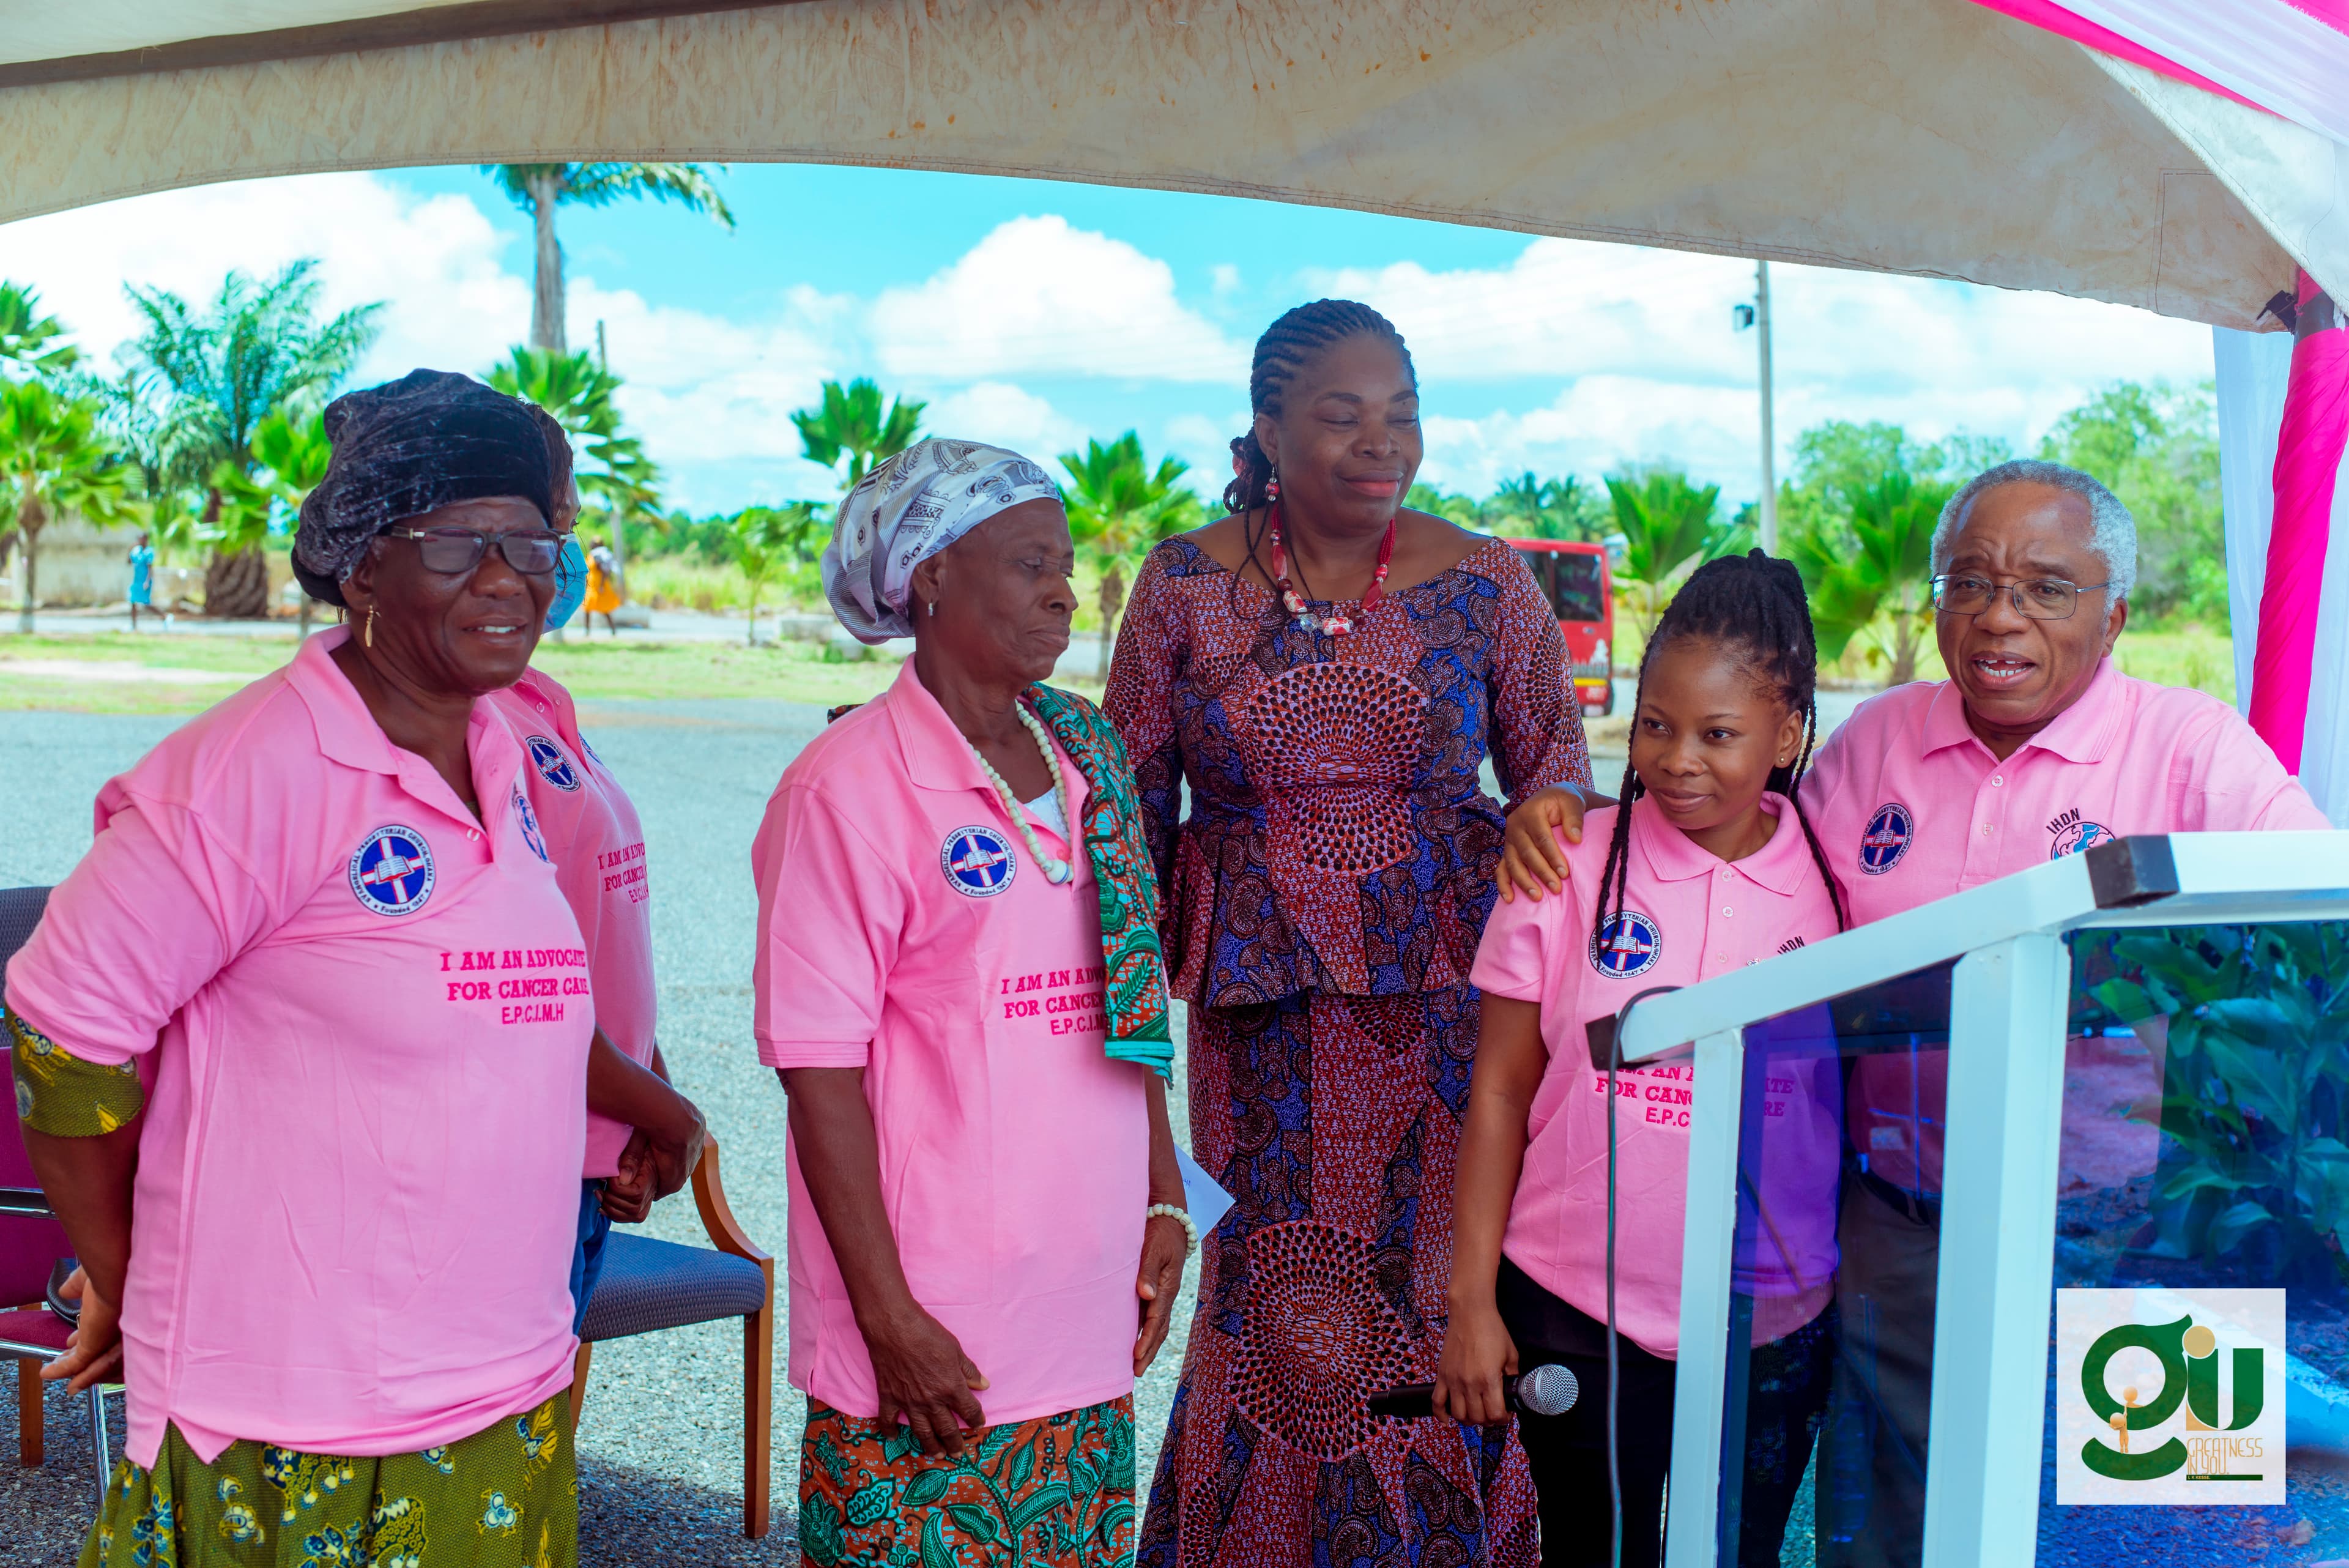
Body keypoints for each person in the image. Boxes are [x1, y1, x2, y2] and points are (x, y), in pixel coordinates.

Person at [1493, 458, 2331, 1566]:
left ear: (2116, 611)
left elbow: (2318, 910)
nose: (2000, 615)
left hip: (2127, 1233)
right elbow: (1735, 839)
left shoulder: (2193, 745)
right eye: (1970, 581)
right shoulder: (1877, 740)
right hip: (1897, 1228)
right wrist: (1575, 813)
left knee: (2151, 1524)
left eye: (2046, 586)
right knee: (1897, 1528)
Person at [3, 369, 698, 1568]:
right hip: (299, 1424)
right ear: (362, 563)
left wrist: (655, 1102)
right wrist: (133, 1276)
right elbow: (65, 1033)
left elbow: (511, 998)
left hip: (508, 1383)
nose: (508, 575)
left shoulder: (501, 747)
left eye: (532, 542)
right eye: (461, 543)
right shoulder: (243, 776)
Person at [1106, 299, 1590, 1568]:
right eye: (1342, 416)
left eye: (1404, 415)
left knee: (1440, 1294)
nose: (1384, 445)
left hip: (1449, 1007)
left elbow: (1558, 768)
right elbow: (1128, 803)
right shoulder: (1181, 582)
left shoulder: (1488, 579)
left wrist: (1546, 808)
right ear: (1268, 428)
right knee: (1272, 1291)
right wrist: (1116, 1031)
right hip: (1257, 1015)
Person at [754, 437, 1191, 1566]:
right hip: (935, 1323)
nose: (1065, 589)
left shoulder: (1086, 749)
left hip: (1079, 1296)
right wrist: (889, 1318)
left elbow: (1129, 999)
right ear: (931, 575)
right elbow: (818, 1069)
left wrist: (1163, 1199)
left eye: (1070, 561)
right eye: (1029, 561)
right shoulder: (847, 787)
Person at [1437, 552, 1846, 1567]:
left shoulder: (1838, 878)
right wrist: (1472, 1298)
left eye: (1719, 733)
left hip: (1771, 1317)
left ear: (1788, 733)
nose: (1678, 760)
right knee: (1593, 1552)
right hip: (1576, 1305)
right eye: (1656, 724)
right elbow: (1496, 1090)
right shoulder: (1565, 863)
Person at [494, 406, 705, 1348]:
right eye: (557, 528)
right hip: (522, 1149)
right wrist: (670, 1117)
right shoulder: (470, 724)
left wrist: (640, 1099)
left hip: (593, 1135)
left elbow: (589, 927)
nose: (569, 555)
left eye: (570, 530)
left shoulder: (539, 700)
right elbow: (509, 986)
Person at [584, 533, 622, 636]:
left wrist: (601, 586)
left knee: (605, 609)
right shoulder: (592, 555)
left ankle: (613, 630)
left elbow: (605, 572)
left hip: (599, 586)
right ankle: (587, 631)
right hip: (591, 586)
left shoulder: (598, 556)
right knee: (587, 608)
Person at [126, 531, 154, 631]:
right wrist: (130, 550)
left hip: (145, 581)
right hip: (136, 581)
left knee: (146, 604)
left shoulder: (149, 552)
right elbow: (129, 562)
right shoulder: (136, 551)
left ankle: (165, 616)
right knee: (133, 601)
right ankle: (134, 626)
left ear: (146, 540)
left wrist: (147, 581)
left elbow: (150, 569)